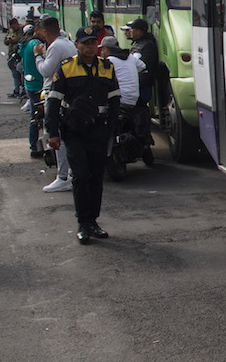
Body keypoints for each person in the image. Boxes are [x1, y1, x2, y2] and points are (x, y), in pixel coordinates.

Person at [45, 26, 120, 244]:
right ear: (76, 45)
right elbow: (54, 100)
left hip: (98, 130)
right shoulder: (66, 67)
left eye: (92, 43)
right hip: (74, 131)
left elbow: (115, 100)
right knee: (80, 176)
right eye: (85, 43)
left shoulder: (107, 67)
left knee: (96, 177)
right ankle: (82, 222)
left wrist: (110, 129)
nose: (89, 47)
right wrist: (52, 132)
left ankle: (93, 221)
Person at [35, 16, 76, 193]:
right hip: (67, 94)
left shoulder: (56, 46)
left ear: (45, 31)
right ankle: (69, 175)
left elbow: (46, 71)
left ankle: (63, 177)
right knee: (65, 136)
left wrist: (37, 56)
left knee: (57, 136)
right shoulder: (66, 43)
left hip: (55, 94)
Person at [123, 18, 157, 146]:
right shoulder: (137, 44)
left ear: (139, 31)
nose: (130, 32)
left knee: (141, 113)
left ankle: (144, 139)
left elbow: (147, 70)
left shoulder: (148, 46)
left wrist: (135, 84)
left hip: (142, 87)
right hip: (135, 86)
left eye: (133, 29)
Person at [20, 24, 45, 157]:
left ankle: (34, 146)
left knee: (34, 117)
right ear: (37, 31)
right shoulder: (37, 44)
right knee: (40, 117)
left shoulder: (25, 43)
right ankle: (37, 147)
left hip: (29, 83)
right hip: (38, 84)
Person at [3, 18, 24, 98]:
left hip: (19, 55)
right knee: (14, 74)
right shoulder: (10, 31)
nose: (13, 28)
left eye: (14, 27)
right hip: (11, 54)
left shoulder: (21, 31)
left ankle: (22, 91)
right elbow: (5, 41)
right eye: (12, 27)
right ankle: (16, 90)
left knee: (20, 73)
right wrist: (8, 40)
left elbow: (23, 40)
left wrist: (16, 40)